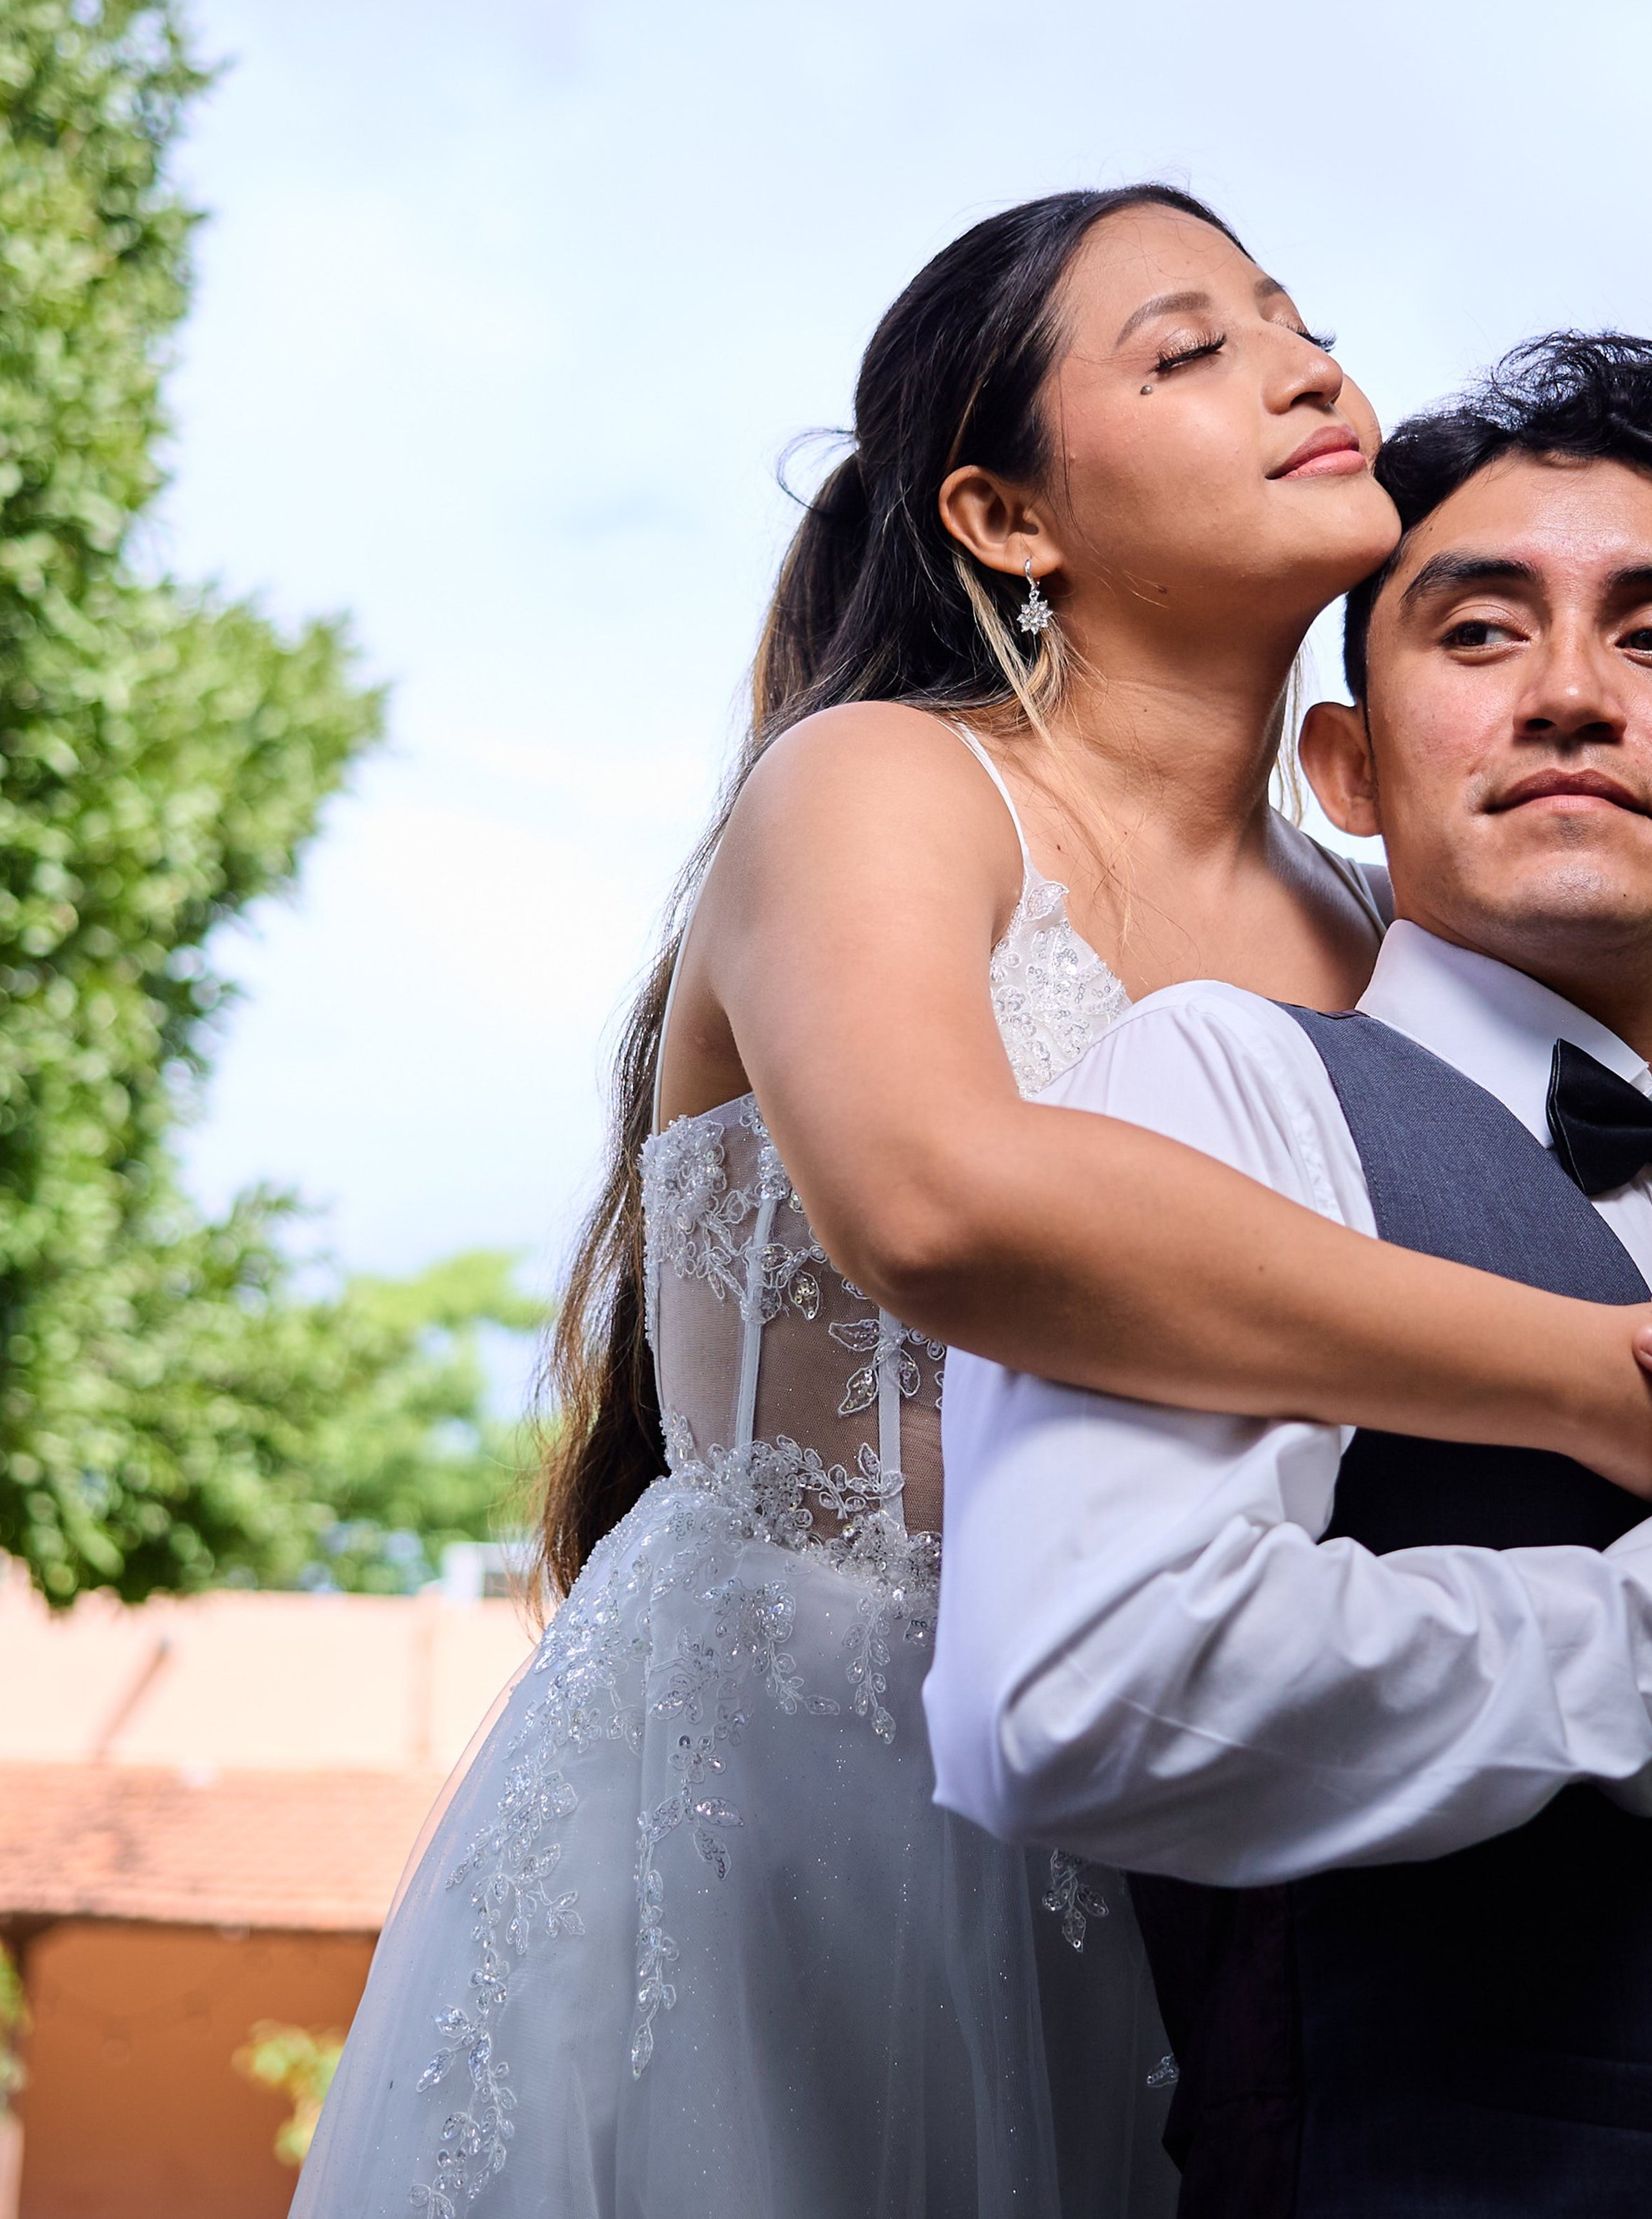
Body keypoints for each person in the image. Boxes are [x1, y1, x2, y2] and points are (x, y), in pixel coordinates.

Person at [294, 198, 1652, 2219]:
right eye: (1191, 350)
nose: (1303, 370)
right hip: (806, 1796)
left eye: (1300, 323)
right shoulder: (883, 787)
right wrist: (1597, 1382)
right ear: (1008, 517)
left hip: (1197, 1861)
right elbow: (936, 1200)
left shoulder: (1377, 932)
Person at [925, 331, 1652, 2216]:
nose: (1576, 696)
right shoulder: (1222, 1084)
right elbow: (1080, 1693)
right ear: (1344, 765)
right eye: (1480, 633)